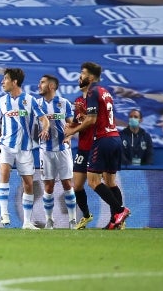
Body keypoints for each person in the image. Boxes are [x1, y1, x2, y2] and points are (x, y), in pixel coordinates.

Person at [64, 62, 131, 230]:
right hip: (114, 137)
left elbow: (92, 120)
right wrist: (74, 126)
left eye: (83, 73)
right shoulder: (104, 92)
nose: (80, 76)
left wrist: (72, 131)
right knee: (109, 181)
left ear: (91, 77)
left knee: (93, 181)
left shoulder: (92, 91)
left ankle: (120, 211)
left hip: (102, 139)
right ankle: (116, 221)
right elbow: (92, 117)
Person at [0, 67, 50, 229]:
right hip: (6, 145)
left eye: (5, 79)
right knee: (4, 173)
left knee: (28, 184)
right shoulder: (1, 101)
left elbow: (44, 119)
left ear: (14, 82)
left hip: (25, 148)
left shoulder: (30, 100)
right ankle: (4, 213)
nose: (2, 82)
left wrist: (45, 128)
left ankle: (27, 222)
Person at [36, 74, 78, 229]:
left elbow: (72, 125)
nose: (39, 85)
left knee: (67, 184)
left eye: (42, 82)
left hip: (62, 150)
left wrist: (70, 136)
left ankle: (72, 220)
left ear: (51, 86)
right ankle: (49, 220)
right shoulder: (36, 104)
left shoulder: (64, 103)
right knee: (48, 186)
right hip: (45, 151)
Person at [71, 84, 95, 230]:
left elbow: (97, 120)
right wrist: (69, 132)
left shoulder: (97, 99)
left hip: (97, 146)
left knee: (103, 183)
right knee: (77, 185)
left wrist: (85, 115)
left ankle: (117, 215)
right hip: (82, 148)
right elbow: (75, 122)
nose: (79, 80)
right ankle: (86, 215)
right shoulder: (78, 101)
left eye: (82, 77)